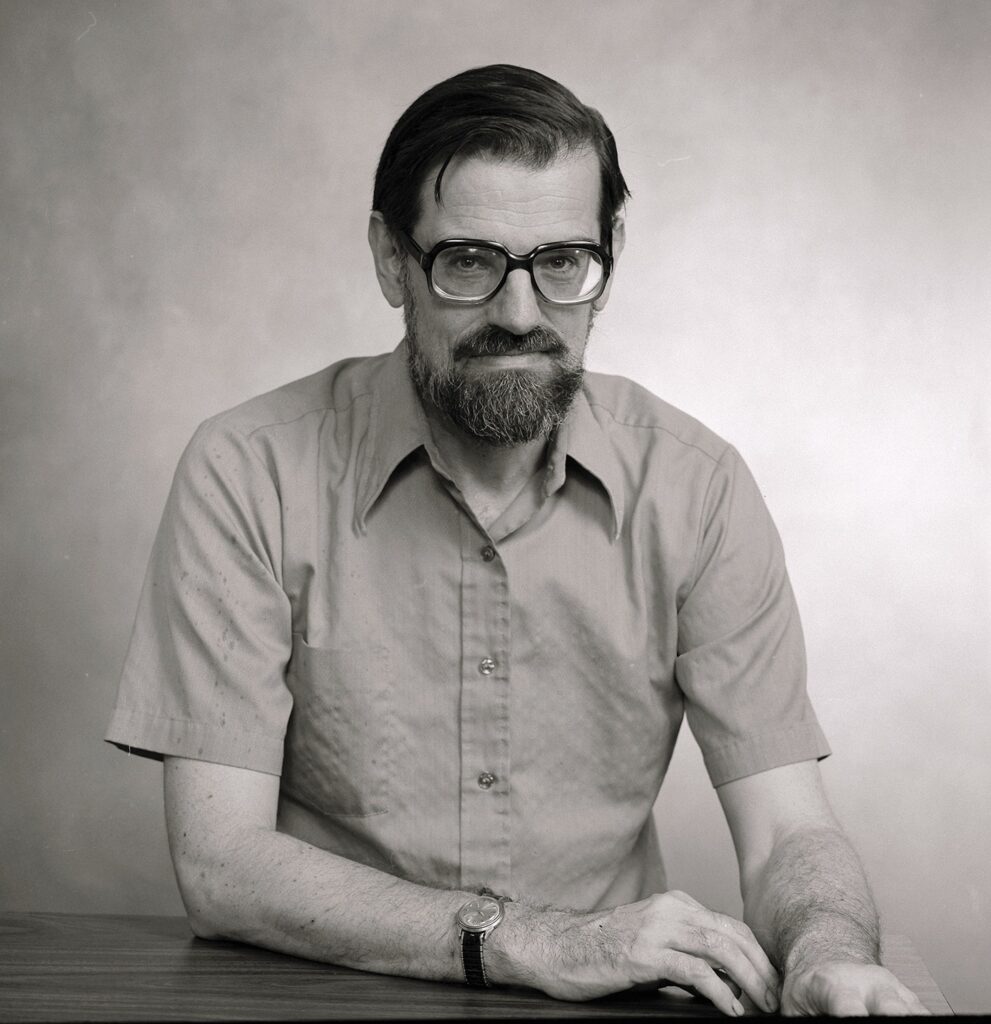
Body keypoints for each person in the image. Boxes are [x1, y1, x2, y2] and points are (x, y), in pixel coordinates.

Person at [107, 64, 927, 1016]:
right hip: (322, 997)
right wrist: (534, 941)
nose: (521, 314)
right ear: (390, 260)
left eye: (563, 262)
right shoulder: (247, 470)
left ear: (608, 257)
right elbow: (221, 865)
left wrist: (826, 956)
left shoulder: (698, 487)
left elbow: (787, 830)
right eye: (468, 262)